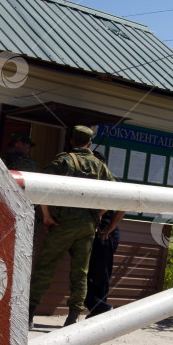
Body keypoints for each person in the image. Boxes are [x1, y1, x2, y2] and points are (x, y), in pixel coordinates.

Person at [28, 125, 118, 328]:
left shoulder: (63, 160)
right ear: (89, 143)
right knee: (80, 272)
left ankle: (30, 314)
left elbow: (41, 185)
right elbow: (117, 194)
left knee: (45, 268)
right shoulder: (99, 166)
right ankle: (72, 317)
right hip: (87, 225)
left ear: (70, 141)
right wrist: (98, 216)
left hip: (63, 223)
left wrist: (47, 215)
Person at [85, 150, 125, 317]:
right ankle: (97, 308)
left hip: (104, 235)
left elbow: (123, 204)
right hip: (93, 233)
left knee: (101, 274)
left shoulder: (109, 181)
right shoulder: (92, 180)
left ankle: (100, 309)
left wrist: (108, 227)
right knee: (87, 272)